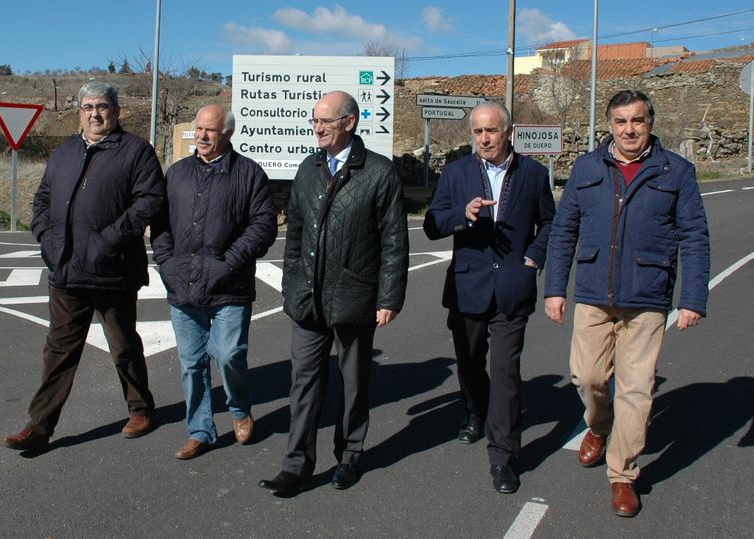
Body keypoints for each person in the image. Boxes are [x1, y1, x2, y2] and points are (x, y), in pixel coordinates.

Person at [544, 89, 710, 517]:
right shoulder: (586, 168)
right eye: (621, 122)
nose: (629, 130)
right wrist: (555, 289)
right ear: (609, 125)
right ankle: (599, 426)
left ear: (650, 122)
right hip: (593, 294)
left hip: (647, 297)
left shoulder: (677, 171)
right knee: (587, 377)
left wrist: (692, 298)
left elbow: (694, 236)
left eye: (637, 120)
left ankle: (623, 475)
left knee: (636, 390)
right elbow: (564, 231)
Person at [0, 80, 165, 451]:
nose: (95, 114)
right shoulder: (64, 152)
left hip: (112, 270)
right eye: (88, 107)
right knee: (58, 351)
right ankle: (39, 426)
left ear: (116, 111)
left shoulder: (136, 151)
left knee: (123, 345)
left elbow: (149, 202)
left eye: (102, 106)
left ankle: (140, 409)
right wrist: (45, 237)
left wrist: (107, 240)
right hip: (66, 270)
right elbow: (42, 200)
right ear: (79, 113)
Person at [258, 91, 409, 493]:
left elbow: (395, 241)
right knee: (303, 383)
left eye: (325, 121)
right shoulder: (308, 168)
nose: (317, 128)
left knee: (354, 383)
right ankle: (296, 465)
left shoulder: (379, 172)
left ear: (349, 122)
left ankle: (349, 456)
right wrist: (291, 285)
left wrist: (389, 298)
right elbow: (295, 234)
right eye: (314, 121)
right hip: (307, 298)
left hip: (355, 297)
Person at [423, 102, 556, 494]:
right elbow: (431, 224)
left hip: (512, 287)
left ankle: (503, 456)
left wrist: (533, 258)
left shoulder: (534, 173)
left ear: (508, 132)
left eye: (492, 130)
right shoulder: (456, 172)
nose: (484, 138)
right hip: (468, 286)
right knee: (469, 362)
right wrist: (462, 215)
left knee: (505, 373)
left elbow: (550, 223)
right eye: (478, 132)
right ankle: (475, 411)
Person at [151, 105, 277, 460]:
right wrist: (166, 263)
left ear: (228, 134)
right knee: (191, 365)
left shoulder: (249, 173)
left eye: (210, 130)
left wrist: (230, 262)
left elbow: (263, 225)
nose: (202, 136)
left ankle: (239, 409)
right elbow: (160, 225)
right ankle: (200, 431)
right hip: (183, 286)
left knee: (229, 354)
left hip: (229, 286)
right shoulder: (177, 174)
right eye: (199, 129)